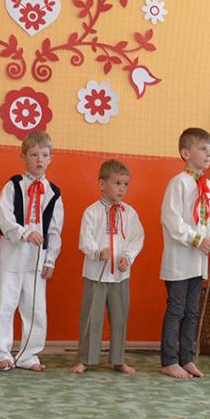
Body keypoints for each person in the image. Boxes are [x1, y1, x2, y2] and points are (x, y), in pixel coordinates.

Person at [0, 131, 62, 372]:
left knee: (35, 309)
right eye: (33, 154)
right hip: (10, 258)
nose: (39, 159)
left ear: (51, 158)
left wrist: (50, 260)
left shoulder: (54, 193)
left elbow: (54, 230)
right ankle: (1, 354)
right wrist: (24, 233)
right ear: (23, 157)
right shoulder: (13, 185)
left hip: (36, 262)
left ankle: (28, 355)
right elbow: (4, 217)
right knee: (5, 306)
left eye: (44, 155)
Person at [158, 127, 210, 379]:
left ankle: (186, 358)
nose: (208, 154)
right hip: (179, 259)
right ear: (186, 153)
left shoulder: (209, 186)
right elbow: (171, 220)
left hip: (198, 261)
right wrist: (197, 239)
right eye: (202, 148)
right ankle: (169, 360)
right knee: (176, 309)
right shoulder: (179, 183)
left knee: (192, 310)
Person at [72, 159, 144, 375]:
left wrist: (128, 258)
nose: (122, 188)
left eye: (125, 184)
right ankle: (85, 359)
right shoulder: (92, 212)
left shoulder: (130, 213)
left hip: (120, 276)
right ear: (102, 184)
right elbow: (84, 239)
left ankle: (118, 359)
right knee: (91, 317)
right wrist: (96, 252)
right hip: (96, 274)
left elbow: (137, 238)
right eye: (117, 183)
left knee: (120, 318)